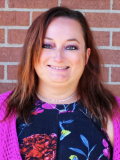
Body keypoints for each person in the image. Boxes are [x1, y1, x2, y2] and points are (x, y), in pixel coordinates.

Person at [0, 6, 120, 160]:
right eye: (47, 45)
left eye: (71, 47)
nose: (58, 57)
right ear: (32, 51)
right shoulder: (3, 111)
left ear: (86, 56)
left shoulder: (113, 113)